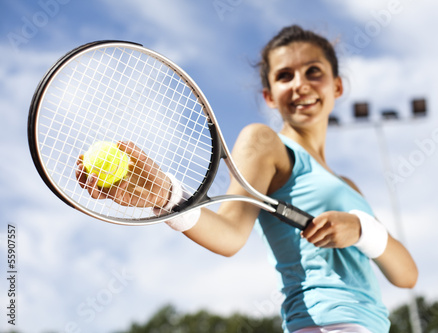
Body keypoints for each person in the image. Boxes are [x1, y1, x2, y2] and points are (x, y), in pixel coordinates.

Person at [76, 25, 418, 333]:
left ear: (337, 85)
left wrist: (361, 228)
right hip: (326, 325)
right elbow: (230, 235)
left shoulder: (349, 186)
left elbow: (405, 275)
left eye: (313, 71)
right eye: (285, 76)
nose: (300, 84)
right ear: (269, 95)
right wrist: (167, 196)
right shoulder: (264, 142)